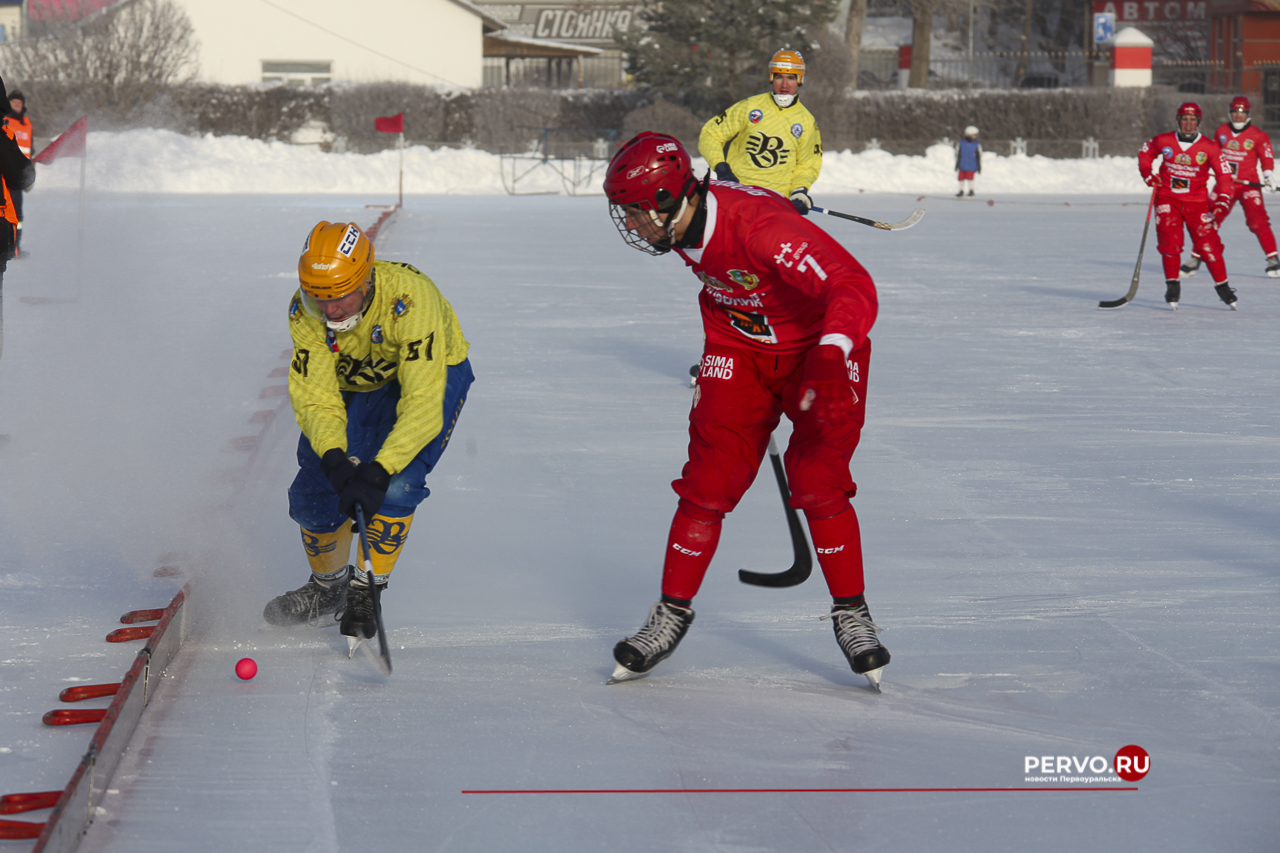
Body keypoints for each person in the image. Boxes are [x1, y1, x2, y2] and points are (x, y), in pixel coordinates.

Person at [602, 132, 890, 691]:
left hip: (819, 355)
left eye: (634, 213)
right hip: (738, 347)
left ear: (668, 201)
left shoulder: (761, 233)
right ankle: (671, 613)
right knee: (708, 482)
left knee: (818, 480)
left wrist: (832, 355)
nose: (630, 227)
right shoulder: (683, 221)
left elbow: (852, 284)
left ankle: (851, 611)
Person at [263, 221, 473, 646]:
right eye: (318, 297)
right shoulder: (306, 311)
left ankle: (365, 589)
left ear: (366, 279)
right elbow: (316, 396)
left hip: (430, 377)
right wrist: (336, 461)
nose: (330, 310)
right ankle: (327, 589)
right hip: (356, 378)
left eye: (340, 296)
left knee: (397, 484)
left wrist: (379, 469)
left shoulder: (412, 301)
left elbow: (421, 402)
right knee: (315, 491)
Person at [698, 49, 823, 217]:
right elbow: (710, 134)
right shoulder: (749, 106)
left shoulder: (807, 121)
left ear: (800, 79)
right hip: (737, 197)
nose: (784, 85)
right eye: (779, 77)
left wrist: (799, 191)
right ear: (771, 77)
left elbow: (807, 165)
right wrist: (722, 168)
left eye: (791, 78)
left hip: (775, 204)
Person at [1137, 102, 1237, 310]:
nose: (1188, 124)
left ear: (1198, 122)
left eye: (1192, 120)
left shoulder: (1209, 147)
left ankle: (1223, 286)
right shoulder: (1163, 140)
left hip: (1197, 203)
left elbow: (1225, 175)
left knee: (1209, 247)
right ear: (1178, 121)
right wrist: (1148, 174)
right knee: (1170, 243)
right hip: (1167, 198)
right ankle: (1172, 286)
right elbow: (1145, 154)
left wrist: (1223, 199)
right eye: (1185, 119)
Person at [1181, 96, 1280, 280]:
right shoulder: (1222, 130)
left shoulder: (1258, 135)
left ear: (1248, 114)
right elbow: (1212, 153)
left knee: (1257, 222)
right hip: (1225, 184)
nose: (1238, 116)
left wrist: (1268, 175)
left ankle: (1273, 259)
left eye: (1242, 113)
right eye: (1235, 112)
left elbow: (1266, 158)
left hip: (1248, 184)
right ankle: (1195, 259)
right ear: (1230, 113)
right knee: (1209, 219)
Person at [3, 90, 30, 256]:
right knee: (7, 211)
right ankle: (7, 247)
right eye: (14, 102)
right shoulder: (6, 121)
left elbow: (29, 149)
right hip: (8, 173)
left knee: (18, 213)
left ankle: (15, 247)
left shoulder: (26, 123)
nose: (17, 105)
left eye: (20, 102)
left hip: (21, 173)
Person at [955, 125, 981, 198]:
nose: (975, 136)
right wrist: (957, 164)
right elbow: (957, 154)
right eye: (973, 135)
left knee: (970, 178)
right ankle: (961, 190)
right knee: (961, 178)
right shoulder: (961, 143)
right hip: (962, 164)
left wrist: (979, 166)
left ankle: (971, 190)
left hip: (972, 165)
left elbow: (979, 155)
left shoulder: (976, 144)